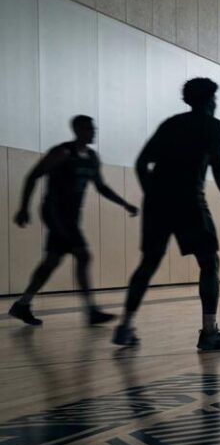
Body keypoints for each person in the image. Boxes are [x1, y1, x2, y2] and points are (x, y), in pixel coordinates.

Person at [113, 78, 220, 351]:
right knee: (209, 262)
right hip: (190, 201)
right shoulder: (213, 126)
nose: (216, 103)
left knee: (148, 263)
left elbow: (140, 163)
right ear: (209, 101)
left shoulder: (171, 124)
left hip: (158, 202)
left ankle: (125, 326)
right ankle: (209, 333)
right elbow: (218, 166)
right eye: (214, 99)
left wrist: (154, 196)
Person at [8, 116, 138, 326]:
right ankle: (91, 311)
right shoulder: (62, 153)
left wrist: (124, 204)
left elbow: (101, 187)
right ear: (77, 130)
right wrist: (23, 208)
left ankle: (23, 305)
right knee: (83, 254)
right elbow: (33, 176)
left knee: (52, 261)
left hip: (71, 216)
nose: (93, 131)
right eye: (88, 128)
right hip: (54, 212)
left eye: (93, 128)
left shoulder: (92, 157)